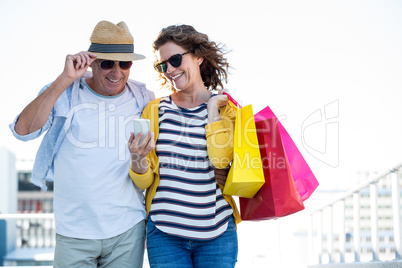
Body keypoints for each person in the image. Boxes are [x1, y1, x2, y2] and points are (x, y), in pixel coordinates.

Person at [9, 20, 155, 268]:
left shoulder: (143, 97)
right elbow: (23, 131)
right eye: (108, 63)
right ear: (92, 61)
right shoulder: (66, 91)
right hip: (74, 233)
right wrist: (64, 79)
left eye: (125, 63)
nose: (117, 72)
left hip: (127, 230)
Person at [128, 24, 241, 268]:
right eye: (163, 65)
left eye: (176, 59)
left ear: (198, 57)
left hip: (218, 234)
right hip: (165, 235)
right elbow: (144, 182)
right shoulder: (155, 111)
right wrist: (137, 159)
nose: (169, 69)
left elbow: (221, 161)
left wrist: (212, 110)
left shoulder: (226, 109)